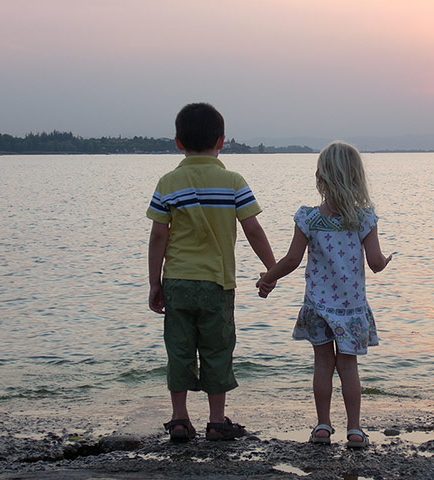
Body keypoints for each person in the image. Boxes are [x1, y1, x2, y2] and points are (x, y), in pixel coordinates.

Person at [147, 102, 276, 442]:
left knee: (179, 349)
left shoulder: (168, 181)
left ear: (178, 142)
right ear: (222, 141)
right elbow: (253, 230)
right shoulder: (232, 181)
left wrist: (154, 283)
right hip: (217, 284)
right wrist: (272, 269)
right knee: (217, 349)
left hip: (177, 281)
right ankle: (217, 421)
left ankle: (179, 419)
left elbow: (158, 235)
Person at [256, 141, 392, 448]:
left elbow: (291, 260)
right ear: (357, 178)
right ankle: (355, 430)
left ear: (320, 176)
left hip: (317, 306)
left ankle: (322, 426)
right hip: (352, 309)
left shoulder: (309, 218)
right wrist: (385, 262)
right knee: (348, 367)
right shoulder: (363, 219)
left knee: (321, 365)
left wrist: (268, 278)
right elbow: (374, 262)